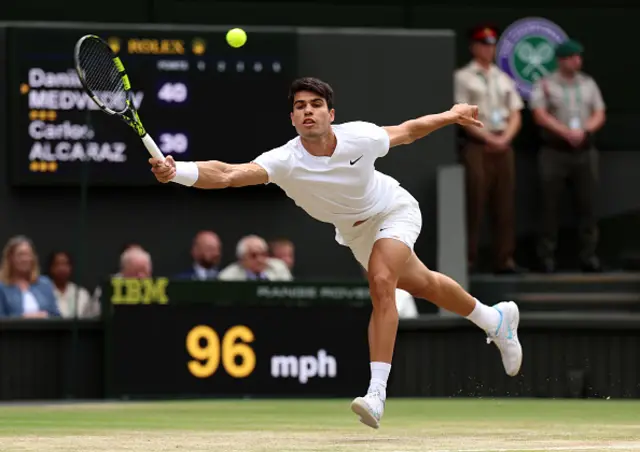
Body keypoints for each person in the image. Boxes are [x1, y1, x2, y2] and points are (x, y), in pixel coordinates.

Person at [149, 77, 522, 429]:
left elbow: (408, 131)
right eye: (300, 106)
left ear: (331, 114)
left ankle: (376, 393)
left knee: (381, 281)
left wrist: (450, 115)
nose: (308, 111)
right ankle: (494, 320)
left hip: (394, 210)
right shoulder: (284, 160)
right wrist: (177, 170)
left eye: (316, 104)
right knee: (422, 284)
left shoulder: (359, 137)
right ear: (292, 118)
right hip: (355, 234)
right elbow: (229, 173)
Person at [529, 39, 606, 273]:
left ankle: (588, 255)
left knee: (588, 204)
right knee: (549, 205)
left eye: (579, 57)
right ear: (562, 60)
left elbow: (599, 112)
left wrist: (585, 131)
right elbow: (539, 115)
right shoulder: (544, 84)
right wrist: (565, 132)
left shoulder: (588, 83)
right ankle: (546, 256)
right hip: (555, 151)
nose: (577, 61)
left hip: (584, 151)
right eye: (572, 57)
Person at [454, 25, 526, 274]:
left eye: (492, 45)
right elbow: (461, 115)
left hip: (503, 144)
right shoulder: (463, 77)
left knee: (504, 203)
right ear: (474, 47)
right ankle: (469, 259)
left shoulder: (503, 77)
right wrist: (487, 138)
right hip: (478, 144)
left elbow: (516, 113)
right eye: (483, 44)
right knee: (475, 201)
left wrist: (505, 137)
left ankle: (505, 259)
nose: (489, 49)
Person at [0, 235, 60, 318]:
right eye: (20, 255)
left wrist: (45, 316)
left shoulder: (45, 284)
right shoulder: (2, 287)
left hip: (45, 330)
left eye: (28, 255)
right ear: (10, 258)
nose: (25, 259)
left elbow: (57, 316)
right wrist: (23, 318)